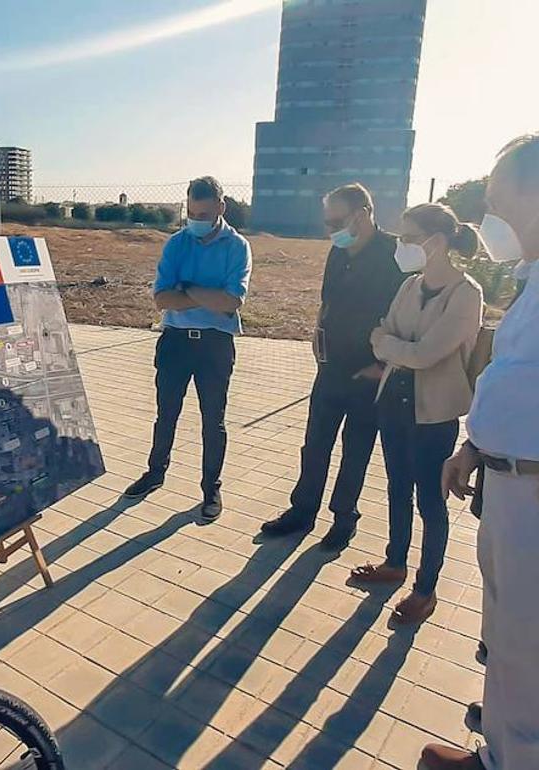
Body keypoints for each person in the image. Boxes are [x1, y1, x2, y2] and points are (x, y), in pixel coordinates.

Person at [423, 134, 539, 770]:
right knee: (504, 632)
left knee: (526, 641)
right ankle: (498, 742)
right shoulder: (531, 279)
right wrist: (474, 444)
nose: (488, 219)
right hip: (506, 480)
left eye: (496, 201)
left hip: (533, 489)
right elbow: (514, 378)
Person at [348, 203, 484, 626]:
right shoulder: (409, 285)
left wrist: (394, 346)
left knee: (430, 499)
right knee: (396, 487)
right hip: (393, 403)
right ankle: (395, 561)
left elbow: (423, 353)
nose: (401, 244)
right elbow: (380, 333)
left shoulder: (467, 294)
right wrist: (397, 346)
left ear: (437, 242)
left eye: (408, 237)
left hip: (434, 413)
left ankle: (425, 589)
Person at [259, 184, 405, 551]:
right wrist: (316, 335)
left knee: (355, 450)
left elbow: (407, 318)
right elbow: (327, 303)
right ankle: (302, 511)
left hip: (369, 374)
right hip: (331, 368)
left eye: (337, 221)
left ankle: (344, 517)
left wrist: (383, 365)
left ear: (364, 214)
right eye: (327, 222)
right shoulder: (337, 253)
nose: (331, 230)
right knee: (315, 445)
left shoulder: (395, 255)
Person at [123, 176, 252, 524]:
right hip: (175, 342)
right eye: (192, 212)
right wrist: (206, 296)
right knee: (166, 413)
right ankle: (155, 472)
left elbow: (230, 302)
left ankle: (211, 487)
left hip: (215, 345)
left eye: (204, 213)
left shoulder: (237, 247)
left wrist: (188, 289)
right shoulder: (176, 244)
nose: (196, 219)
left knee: (214, 421)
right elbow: (161, 298)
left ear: (221, 208)